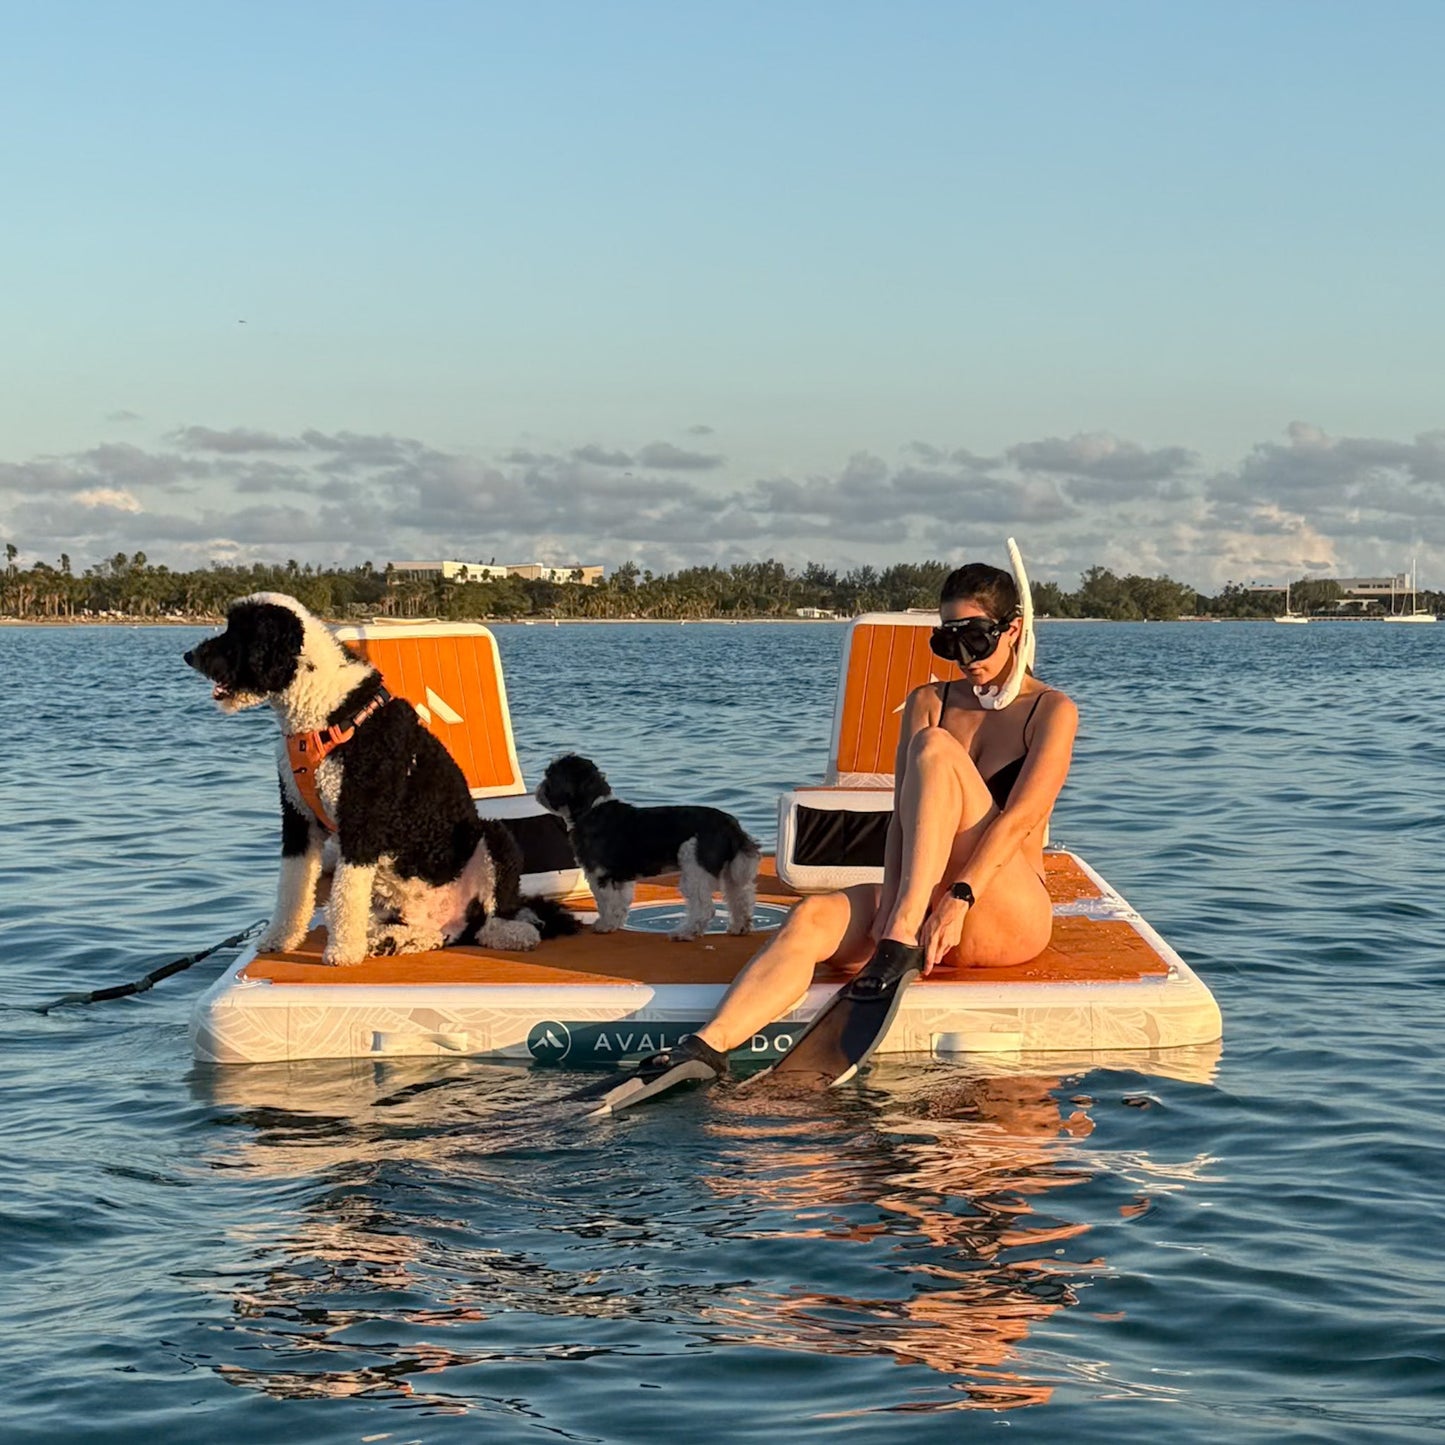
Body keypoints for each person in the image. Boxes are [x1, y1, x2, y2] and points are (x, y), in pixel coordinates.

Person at [632, 559, 1080, 1092]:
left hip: (1001, 912)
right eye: (948, 643)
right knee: (812, 917)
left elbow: (1019, 820)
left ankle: (900, 938)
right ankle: (709, 1047)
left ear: (1012, 632)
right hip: (916, 914)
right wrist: (891, 901)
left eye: (976, 641)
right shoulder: (929, 702)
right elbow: (901, 821)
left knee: (935, 749)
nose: (963, 659)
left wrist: (957, 901)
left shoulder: (1051, 710)